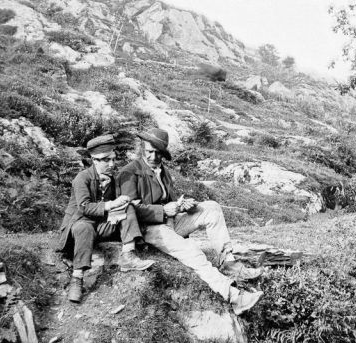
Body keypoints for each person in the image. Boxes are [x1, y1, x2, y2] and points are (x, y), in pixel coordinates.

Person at [116, 127, 263, 314]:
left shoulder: (163, 172)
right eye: (149, 151)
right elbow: (128, 210)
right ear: (141, 149)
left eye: (158, 153)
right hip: (149, 229)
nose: (153, 157)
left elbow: (171, 201)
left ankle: (229, 262)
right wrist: (162, 210)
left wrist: (184, 205)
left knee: (212, 207)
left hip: (170, 222)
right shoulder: (129, 173)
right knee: (192, 251)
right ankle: (234, 297)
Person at [56, 133, 154, 303]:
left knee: (128, 207)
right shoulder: (82, 178)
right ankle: (77, 278)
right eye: (107, 160)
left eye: (113, 159)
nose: (112, 164)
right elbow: (84, 207)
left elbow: (119, 204)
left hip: (101, 225)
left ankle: (128, 255)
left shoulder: (112, 179)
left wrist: (126, 202)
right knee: (84, 228)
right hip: (79, 224)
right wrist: (111, 204)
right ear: (95, 160)